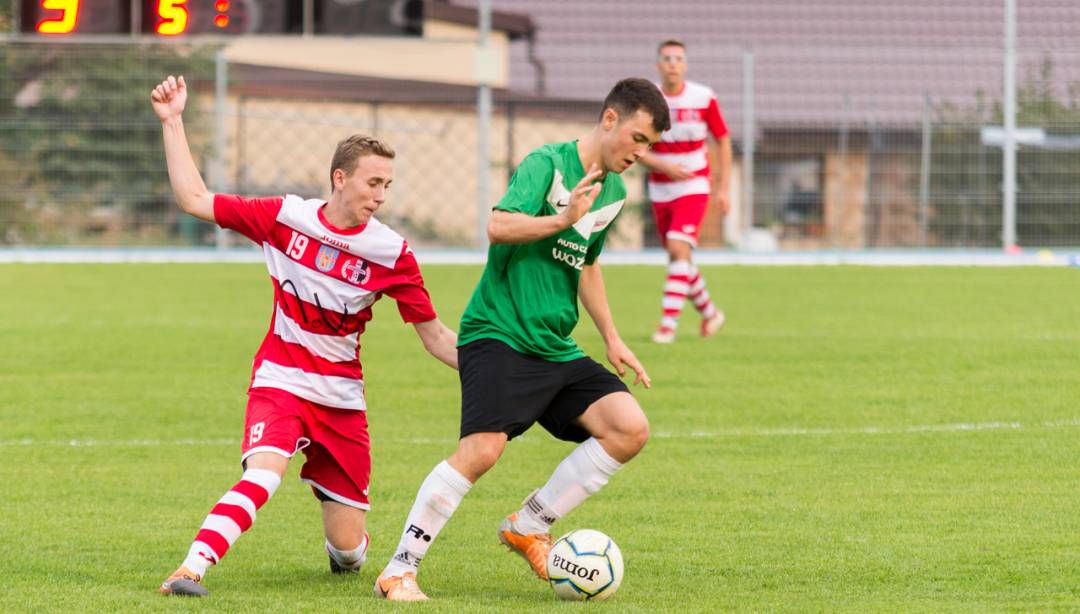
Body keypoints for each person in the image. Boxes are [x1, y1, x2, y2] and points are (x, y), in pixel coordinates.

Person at [149, 75, 458, 597]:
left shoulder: (392, 253)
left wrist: (500, 369)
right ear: (340, 178)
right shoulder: (285, 218)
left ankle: (344, 550)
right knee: (263, 475)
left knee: (348, 550)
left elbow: (435, 337)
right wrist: (173, 121)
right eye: (372, 183)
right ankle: (189, 569)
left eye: (387, 186)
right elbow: (195, 199)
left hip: (341, 400)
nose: (381, 196)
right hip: (281, 379)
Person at [371, 77, 670, 601]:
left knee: (628, 428)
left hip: (555, 344)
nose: (640, 154)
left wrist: (612, 337)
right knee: (482, 451)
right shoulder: (546, 165)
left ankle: (529, 525)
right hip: (500, 332)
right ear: (609, 120)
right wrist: (561, 218)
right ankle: (398, 569)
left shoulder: (616, 191)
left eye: (650, 146)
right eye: (639, 138)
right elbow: (499, 226)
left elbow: (587, 263)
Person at [639, 39, 731, 344]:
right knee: (680, 259)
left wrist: (724, 187)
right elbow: (635, 145)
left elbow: (723, 138)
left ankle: (667, 326)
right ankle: (711, 313)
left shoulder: (703, 97)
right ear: (658, 65)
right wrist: (663, 166)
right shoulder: (647, 99)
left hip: (694, 184)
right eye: (666, 58)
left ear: (685, 64)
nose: (673, 64)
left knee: (679, 249)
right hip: (661, 188)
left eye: (678, 58)